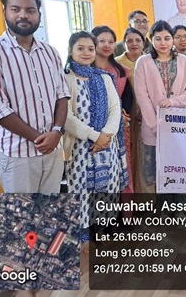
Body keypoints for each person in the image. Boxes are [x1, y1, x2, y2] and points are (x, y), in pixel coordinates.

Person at [0, 0, 70, 193]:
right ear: (5, 13)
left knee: (51, 211)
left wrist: (56, 132)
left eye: (30, 10)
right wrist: (39, 138)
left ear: (39, 15)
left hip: (53, 152)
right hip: (17, 156)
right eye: (15, 9)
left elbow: (62, 96)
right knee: (21, 213)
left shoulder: (50, 53)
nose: (23, 15)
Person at [63, 31, 129, 235]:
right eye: (80, 48)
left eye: (90, 49)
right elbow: (66, 117)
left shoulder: (105, 78)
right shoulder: (65, 79)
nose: (86, 53)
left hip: (107, 147)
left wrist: (105, 136)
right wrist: (95, 136)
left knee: (109, 188)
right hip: (80, 149)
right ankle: (85, 233)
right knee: (82, 191)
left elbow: (115, 109)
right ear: (70, 51)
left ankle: (105, 228)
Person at [134, 21, 186, 210]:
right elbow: (142, 96)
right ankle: (164, 208)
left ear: (172, 39)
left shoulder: (184, 60)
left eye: (167, 38)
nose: (163, 43)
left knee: (179, 167)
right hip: (153, 128)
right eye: (158, 39)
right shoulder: (143, 62)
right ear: (151, 40)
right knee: (160, 169)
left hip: (180, 124)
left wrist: (174, 101)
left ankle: (180, 208)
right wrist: (155, 126)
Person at [91, 25, 135, 210]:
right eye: (102, 41)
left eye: (111, 41)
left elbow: (128, 99)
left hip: (118, 130)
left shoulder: (121, 71)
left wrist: (122, 115)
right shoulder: (84, 69)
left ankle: (124, 215)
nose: (107, 45)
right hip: (91, 132)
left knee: (123, 170)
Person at [116, 28, 148, 193]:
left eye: (138, 40)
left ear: (144, 43)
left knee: (144, 156)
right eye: (129, 40)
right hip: (125, 115)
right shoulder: (117, 64)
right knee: (128, 154)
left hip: (146, 115)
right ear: (123, 44)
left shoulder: (150, 61)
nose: (134, 44)